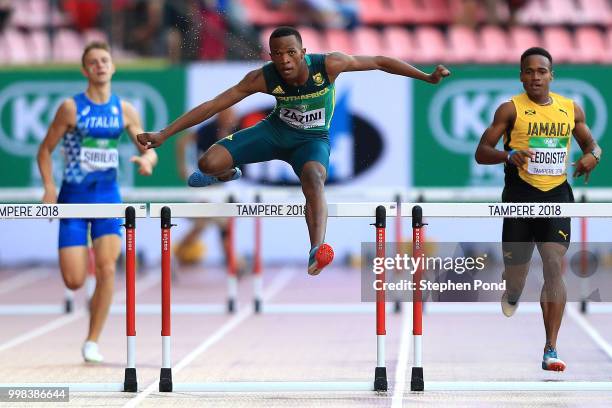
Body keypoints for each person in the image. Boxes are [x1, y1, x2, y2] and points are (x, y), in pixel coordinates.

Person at [138, 26, 450, 275]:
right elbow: (213, 106)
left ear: (303, 52)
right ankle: (225, 172)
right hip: (274, 133)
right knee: (207, 162)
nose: (284, 60)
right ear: (271, 56)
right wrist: (165, 133)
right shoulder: (262, 77)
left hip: (311, 141)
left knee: (314, 179)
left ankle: (317, 249)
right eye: (277, 54)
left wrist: (426, 77)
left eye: (290, 53)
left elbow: (381, 62)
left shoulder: (329, 64)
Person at [475, 47, 602, 372]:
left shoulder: (569, 109)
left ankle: (550, 348)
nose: (535, 77)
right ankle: (513, 288)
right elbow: (481, 152)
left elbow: (591, 144)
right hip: (519, 194)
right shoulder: (510, 110)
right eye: (529, 71)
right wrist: (508, 155)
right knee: (517, 276)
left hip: (556, 193)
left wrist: (593, 156)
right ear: (521, 76)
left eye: (541, 71)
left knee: (552, 262)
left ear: (551, 75)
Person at [37, 42, 158, 363]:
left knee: (106, 270)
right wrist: (49, 186)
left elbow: (149, 146)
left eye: (105, 60)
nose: (100, 66)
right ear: (85, 70)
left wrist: (148, 160)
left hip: (107, 198)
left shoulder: (125, 110)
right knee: (75, 280)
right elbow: (44, 150)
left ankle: (92, 340)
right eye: (93, 62)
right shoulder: (70, 108)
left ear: (113, 67)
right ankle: (88, 307)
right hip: (74, 200)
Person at [174, 108, 238, 267]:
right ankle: (233, 262)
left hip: (219, 187)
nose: (231, 118)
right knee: (220, 224)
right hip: (204, 186)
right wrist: (183, 167)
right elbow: (181, 142)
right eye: (228, 115)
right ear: (219, 115)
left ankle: (174, 256)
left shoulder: (235, 130)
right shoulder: (208, 129)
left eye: (233, 116)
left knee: (203, 225)